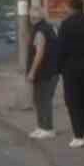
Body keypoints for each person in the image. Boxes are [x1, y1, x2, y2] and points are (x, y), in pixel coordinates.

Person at [57, 0, 84, 148]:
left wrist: (58, 68)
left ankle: (78, 135)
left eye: (67, 8)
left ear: (71, 8)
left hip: (71, 68)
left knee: (73, 101)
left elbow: (61, 48)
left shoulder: (66, 25)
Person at [25, 7, 60, 140]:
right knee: (39, 100)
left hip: (45, 72)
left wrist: (32, 72)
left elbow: (39, 53)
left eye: (32, 17)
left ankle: (48, 129)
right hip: (49, 71)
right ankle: (41, 127)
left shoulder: (40, 31)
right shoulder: (48, 28)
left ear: (36, 18)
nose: (30, 19)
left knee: (44, 100)